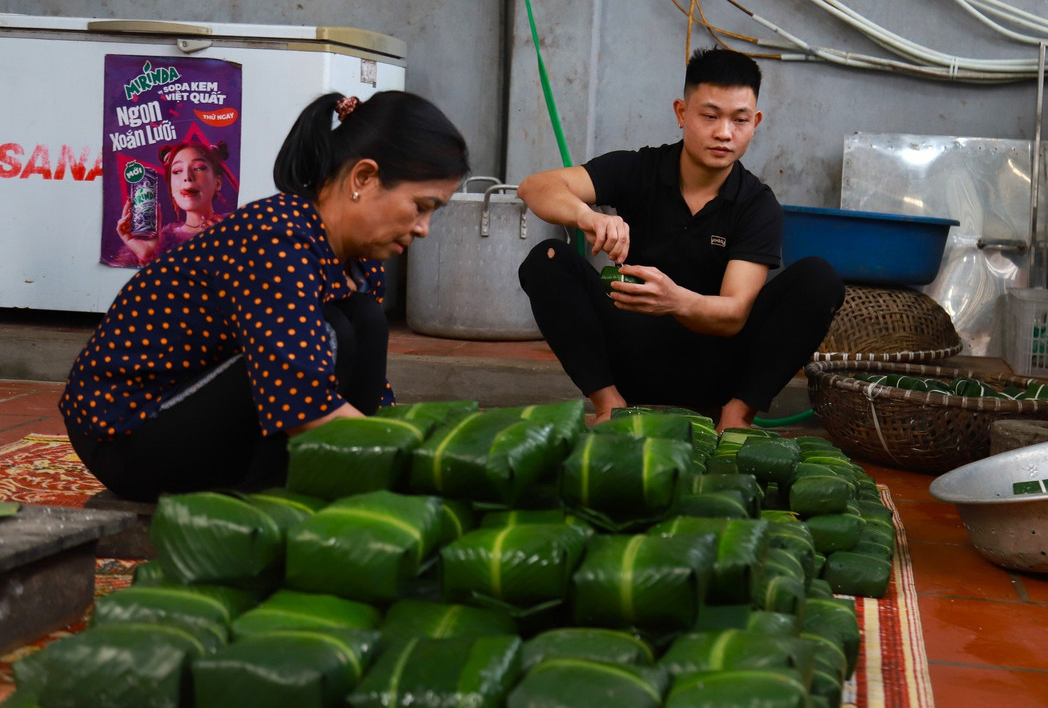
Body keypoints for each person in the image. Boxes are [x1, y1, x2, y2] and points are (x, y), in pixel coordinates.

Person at [61, 91, 470, 502]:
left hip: (197, 414)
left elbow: (368, 393)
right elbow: (301, 402)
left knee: (362, 318)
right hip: (126, 434)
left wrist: (399, 441)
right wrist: (424, 466)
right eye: (420, 206)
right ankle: (274, 501)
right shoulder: (277, 237)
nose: (423, 228)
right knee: (331, 333)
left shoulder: (361, 262)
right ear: (363, 178)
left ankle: (327, 488)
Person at [517, 48, 844, 432]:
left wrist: (674, 300)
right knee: (547, 258)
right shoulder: (637, 169)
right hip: (630, 355)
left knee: (819, 279)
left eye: (739, 120)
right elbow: (534, 187)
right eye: (710, 116)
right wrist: (587, 216)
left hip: (718, 368)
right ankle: (609, 405)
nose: (724, 133)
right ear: (681, 113)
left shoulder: (757, 204)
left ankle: (737, 416)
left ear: (755, 122)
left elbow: (734, 314)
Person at [115, 140, 230, 264]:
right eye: (177, 171)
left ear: (218, 182)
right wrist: (146, 256)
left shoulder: (234, 229)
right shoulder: (163, 241)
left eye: (198, 168)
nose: (187, 177)